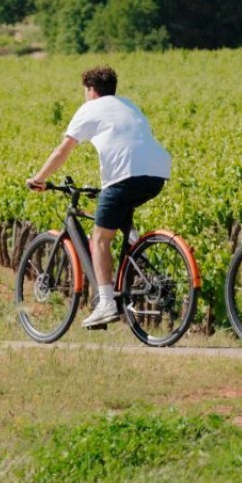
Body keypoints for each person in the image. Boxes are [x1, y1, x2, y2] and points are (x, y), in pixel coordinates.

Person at [26, 65, 173, 329]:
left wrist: (39, 178)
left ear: (91, 90)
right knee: (121, 211)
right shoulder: (129, 105)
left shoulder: (89, 109)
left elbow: (62, 151)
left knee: (100, 239)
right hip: (157, 173)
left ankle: (105, 303)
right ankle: (135, 245)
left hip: (125, 175)